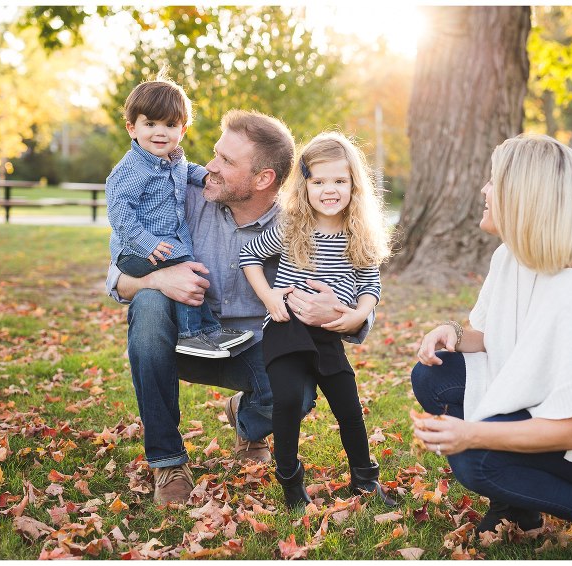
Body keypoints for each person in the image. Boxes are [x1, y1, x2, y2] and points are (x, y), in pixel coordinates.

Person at [410, 134, 572, 560]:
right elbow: (494, 336)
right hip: (552, 404)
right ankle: (518, 507)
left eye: (494, 181)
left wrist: (471, 432)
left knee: (477, 458)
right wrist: (453, 333)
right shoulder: (511, 257)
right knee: (434, 372)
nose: (484, 190)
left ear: (524, 197)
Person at [106, 111, 374, 506]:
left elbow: (354, 278)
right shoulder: (180, 195)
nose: (210, 168)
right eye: (216, 154)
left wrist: (347, 314)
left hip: (256, 348)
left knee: (296, 395)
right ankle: (167, 461)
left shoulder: (296, 225)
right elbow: (115, 276)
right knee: (148, 304)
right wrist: (155, 279)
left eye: (226, 162)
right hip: (183, 339)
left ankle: (247, 420)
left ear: (263, 179)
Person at [240, 132, 396, 509]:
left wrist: (358, 314)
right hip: (286, 327)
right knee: (290, 399)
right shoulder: (293, 226)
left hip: (327, 333)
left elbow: (369, 283)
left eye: (340, 181)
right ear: (304, 184)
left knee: (348, 406)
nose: (330, 190)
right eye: (320, 181)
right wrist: (269, 295)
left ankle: (363, 479)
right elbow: (250, 255)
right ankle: (291, 482)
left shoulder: (358, 233)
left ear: (354, 185)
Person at [106, 75, 251, 358]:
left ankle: (209, 329)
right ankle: (191, 335)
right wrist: (147, 243)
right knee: (187, 272)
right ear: (131, 128)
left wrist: (208, 177)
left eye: (170, 125)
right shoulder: (130, 171)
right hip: (136, 250)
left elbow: (189, 171)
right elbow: (120, 216)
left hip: (166, 245)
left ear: (182, 130)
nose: (160, 132)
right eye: (150, 124)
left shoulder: (173, 159)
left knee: (191, 270)